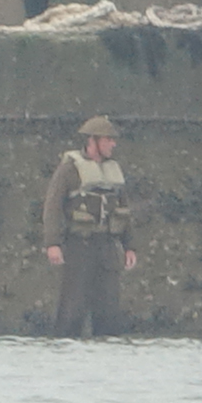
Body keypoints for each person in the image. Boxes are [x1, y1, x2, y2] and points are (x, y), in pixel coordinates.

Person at [41, 116, 137, 337]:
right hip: (79, 246)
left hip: (108, 247)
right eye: (108, 140)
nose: (113, 144)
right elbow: (52, 207)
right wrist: (52, 243)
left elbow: (124, 209)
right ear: (92, 141)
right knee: (71, 310)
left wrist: (130, 246)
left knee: (109, 312)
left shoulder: (114, 170)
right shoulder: (69, 169)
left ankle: (105, 358)